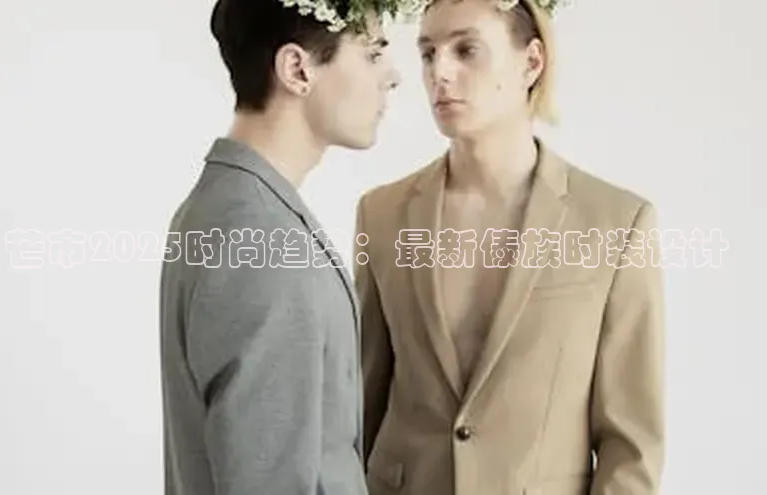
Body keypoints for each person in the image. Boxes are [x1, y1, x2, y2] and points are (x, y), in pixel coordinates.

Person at [353, 0, 665, 494]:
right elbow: (361, 407)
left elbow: (631, 446)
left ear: (532, 62)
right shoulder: (382, 214)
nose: (440, 73)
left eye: (466, 50)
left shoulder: (617, 223)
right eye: (429, 53)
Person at [158, 0, 403, 493]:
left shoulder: (229, 207)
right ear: (297, 69)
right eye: (373, 54)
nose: (392, 77)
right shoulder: (260, 237)